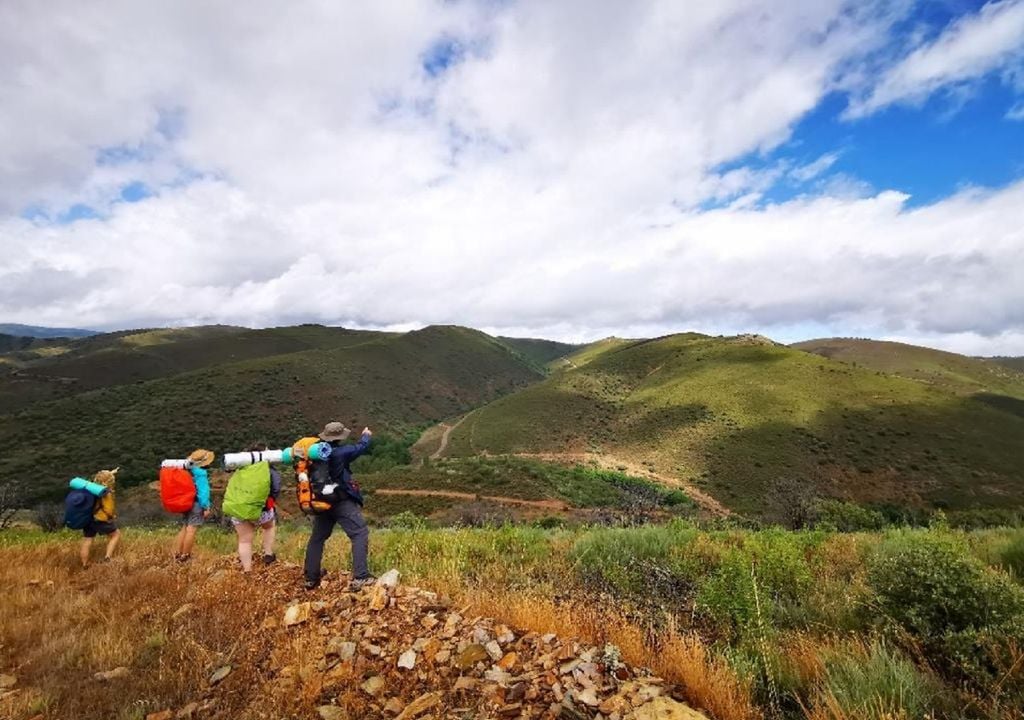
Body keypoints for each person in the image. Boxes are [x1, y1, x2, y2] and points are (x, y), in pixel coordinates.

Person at [303, 422, 374, 590]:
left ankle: (311, 578)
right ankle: (361, 576)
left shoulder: (315, 454)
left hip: (322, 501)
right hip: (341, 500)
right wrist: (366, 436)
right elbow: (360, 447)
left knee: (317, 538)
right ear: (340, 437)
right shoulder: (342, 452)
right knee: (359, 533)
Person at [227, 442, 281, 573]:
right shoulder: (268, 469)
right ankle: (268, 554)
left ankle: (247, 570)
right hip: (261, 509)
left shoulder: (241, 468)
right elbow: (276, 488)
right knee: (269, 526)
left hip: (238, 509)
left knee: (244, 541)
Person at [74, 468, 121, 568]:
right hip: (99, 519)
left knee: (87, 540)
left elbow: (103, 478)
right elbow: (109, 510)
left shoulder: (90, 488)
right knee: (115, 534)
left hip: (88, 518)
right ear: (109, 482)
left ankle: (84, 564)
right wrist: (111, 517)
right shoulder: (105, 493)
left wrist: (111, 472)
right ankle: (107, 557)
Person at [172, 448, 213, 562]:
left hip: (186, 502)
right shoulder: (201, 474)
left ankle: (177, 553)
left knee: (185, 528)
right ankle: (185, 556)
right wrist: (206, 507)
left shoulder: (189, 471)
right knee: (192, 529)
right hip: (196, 504)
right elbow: (203, 493)